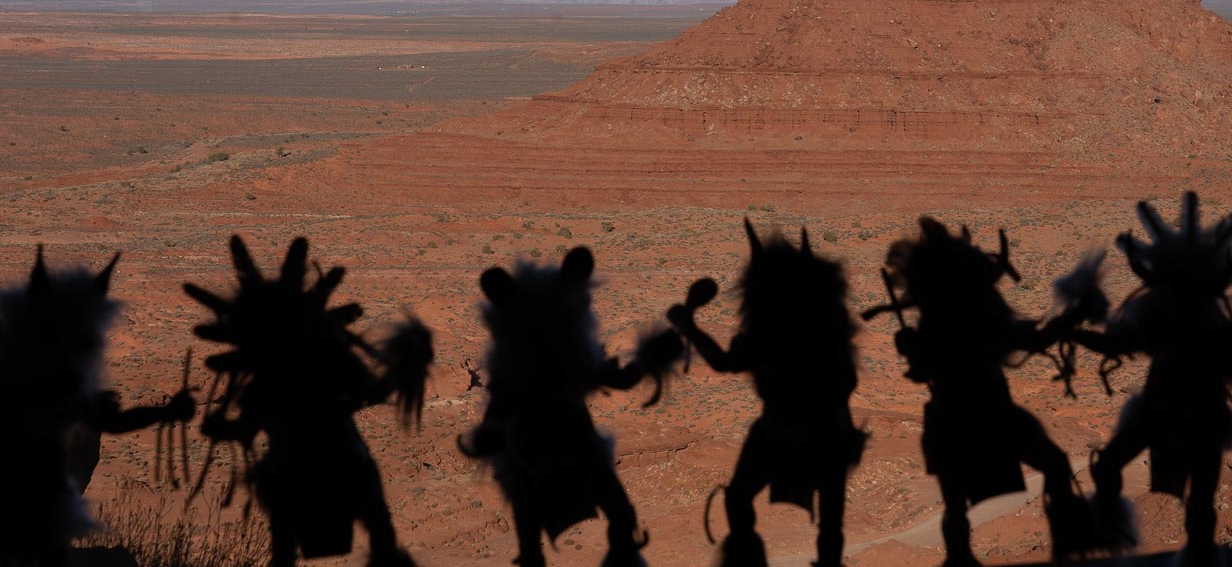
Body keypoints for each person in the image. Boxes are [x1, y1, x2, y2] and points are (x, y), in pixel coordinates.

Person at [870, 217, 1108, 564]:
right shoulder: (979, 316)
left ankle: (960, 559)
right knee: (1054, 465)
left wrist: (911, 347)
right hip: (993, 413)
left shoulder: (937, 321)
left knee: (955, 502)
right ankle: (1068, 548)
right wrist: (1072, 317)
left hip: (950, 418)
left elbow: (920, 372)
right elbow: (1034, 338)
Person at [185, 235, 431, 567]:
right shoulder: (330, 364)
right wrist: (407, 365)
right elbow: (373, 393)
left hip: (290, 474)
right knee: (379, 529)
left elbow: (245, 430)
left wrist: (215, 428)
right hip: (346, 466)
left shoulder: (268, 381)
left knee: (284, 543)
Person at [0, 247, 193, 567]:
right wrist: (166, 412)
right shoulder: (49, 379)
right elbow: (111, 422)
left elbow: (107, 420)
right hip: (30, 493)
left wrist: (165, 412)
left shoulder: (9, 367)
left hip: (5, 487)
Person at [1076, 193, 1232, 566]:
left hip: (1165, 409)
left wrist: (1070, 331)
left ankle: (1113, 536)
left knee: (1114, 467)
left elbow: (1118, 342)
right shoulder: (1205, 318)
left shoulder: (1161, 314)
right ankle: (1199, 553)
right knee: (1201, 495)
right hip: (1199, 412)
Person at [460, 246, 683, 567]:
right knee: (620, 515)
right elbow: (619, 379)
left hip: (543, 448)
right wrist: (651, 358)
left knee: (539, 521)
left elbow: (501, 403)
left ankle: (534, 553)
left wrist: (490, 432)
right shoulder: (555, 351)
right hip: (569, 445)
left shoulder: (530, 357)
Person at [667, 221, 864, 567]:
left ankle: (746, 559)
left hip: (778, 431)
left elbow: (723, 362)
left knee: (738, 498)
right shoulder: (829, 337)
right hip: (830, 434)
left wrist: (690, 328)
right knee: (831, 520)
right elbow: (848, 383)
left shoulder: (767, 334)